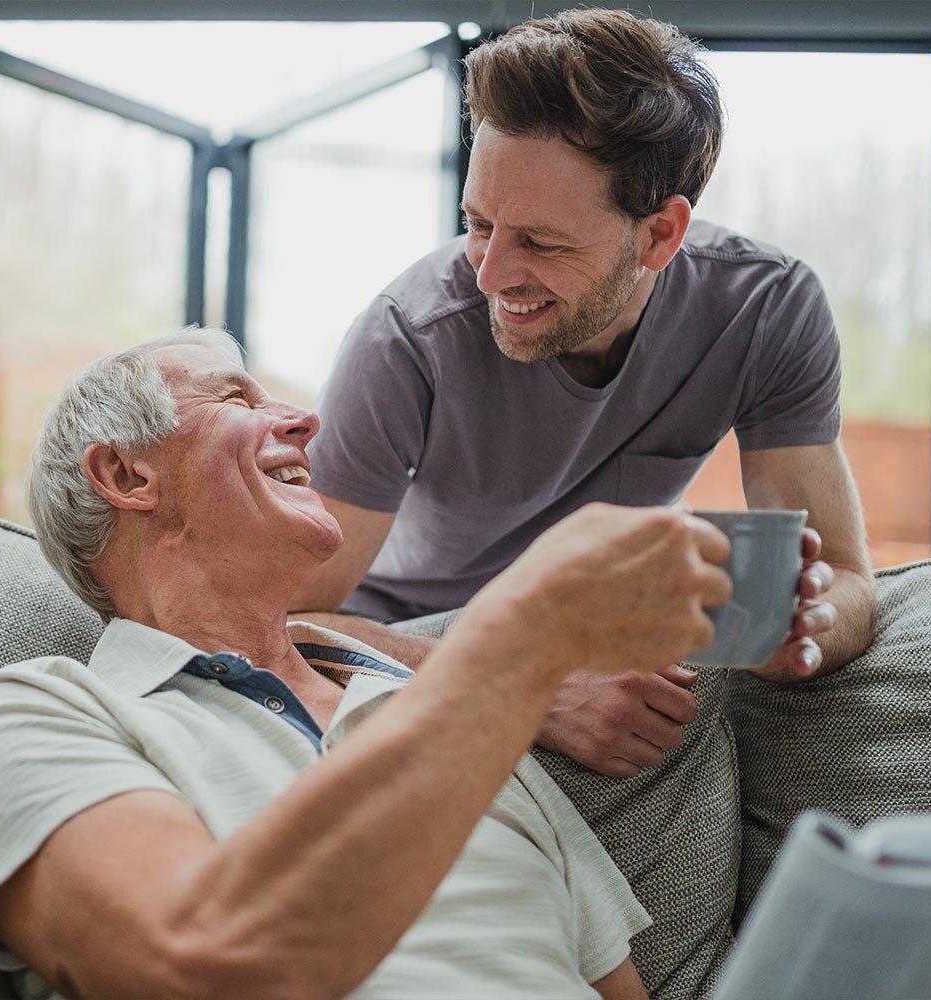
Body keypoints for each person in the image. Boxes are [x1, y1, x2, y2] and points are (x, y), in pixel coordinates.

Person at [0, 328, 736, 1000]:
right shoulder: (42, 712)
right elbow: (194, 966)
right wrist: (520, 635)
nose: (306, 422)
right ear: (126, 476)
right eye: (237, 400)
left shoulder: (451, 713)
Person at [290, 7, 874, 778]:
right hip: (416, 638)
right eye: (478, 224)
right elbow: (284, 621)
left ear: (660, 235)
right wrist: (528, 681)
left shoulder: (765, 308)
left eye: (539, 241)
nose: (490, 275)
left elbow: (848, 581)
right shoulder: (405, 338)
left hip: (593, 628)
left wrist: (787, 631)